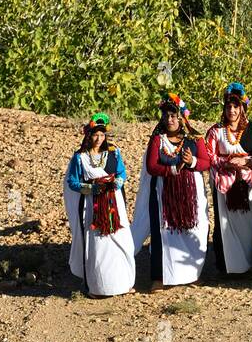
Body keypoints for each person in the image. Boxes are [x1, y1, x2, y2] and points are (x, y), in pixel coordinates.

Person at [131, 94, 211, 290]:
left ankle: (192, 275)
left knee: (195, 229)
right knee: (164, 232)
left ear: (182, 117)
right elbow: (151, 166)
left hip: (192, 195)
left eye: (173, 115)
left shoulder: (195, 138)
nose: (170, 119)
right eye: (166, 116)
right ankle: (160, 277)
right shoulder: (158, 139)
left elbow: (206, 163)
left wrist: (191, 161)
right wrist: (172, 170)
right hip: (164, 193)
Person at [63, 112, 135, 297]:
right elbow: (72, 182)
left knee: (120, 238)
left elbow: (121, 173)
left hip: (113, 202)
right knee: (97, 244)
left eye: (102, 135)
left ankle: (122, 283)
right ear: (88, 135)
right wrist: (91, 188)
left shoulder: (113, 152)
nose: (99, 138)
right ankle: (97, 287)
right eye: (95, 134)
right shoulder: (80, 157)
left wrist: (118, 183)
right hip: (92, 206)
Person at [205, 82, 252, 276]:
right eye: (228, 106)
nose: (232, 110)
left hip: (250, 184)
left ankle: (245, 264)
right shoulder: (215, 131)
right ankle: (226, 266)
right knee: (224, 225)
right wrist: (228, 163)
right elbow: (209, 156)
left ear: (242, 108)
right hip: (225, 186)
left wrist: (245, 161)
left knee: (248, 225)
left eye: (236, 106)